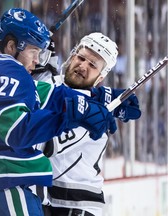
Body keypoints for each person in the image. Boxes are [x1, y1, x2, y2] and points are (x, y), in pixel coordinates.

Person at [0, 8, 117, 216]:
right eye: (33, 52)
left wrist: (97, 98)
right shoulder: (8, 70)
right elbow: (17, 131)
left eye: (93, 65)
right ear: (11, 46)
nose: (37, 61)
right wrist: (69, 115)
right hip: (1, 183)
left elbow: (47, 93)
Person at [33, 32, 141, 216]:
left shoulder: (95, 113)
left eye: (92, 65)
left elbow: (45, 143)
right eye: (81, 58)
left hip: (77, 204)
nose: (83, 66)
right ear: (71, 55)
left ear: (100, 77)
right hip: (50, 200)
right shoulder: (50, 83)